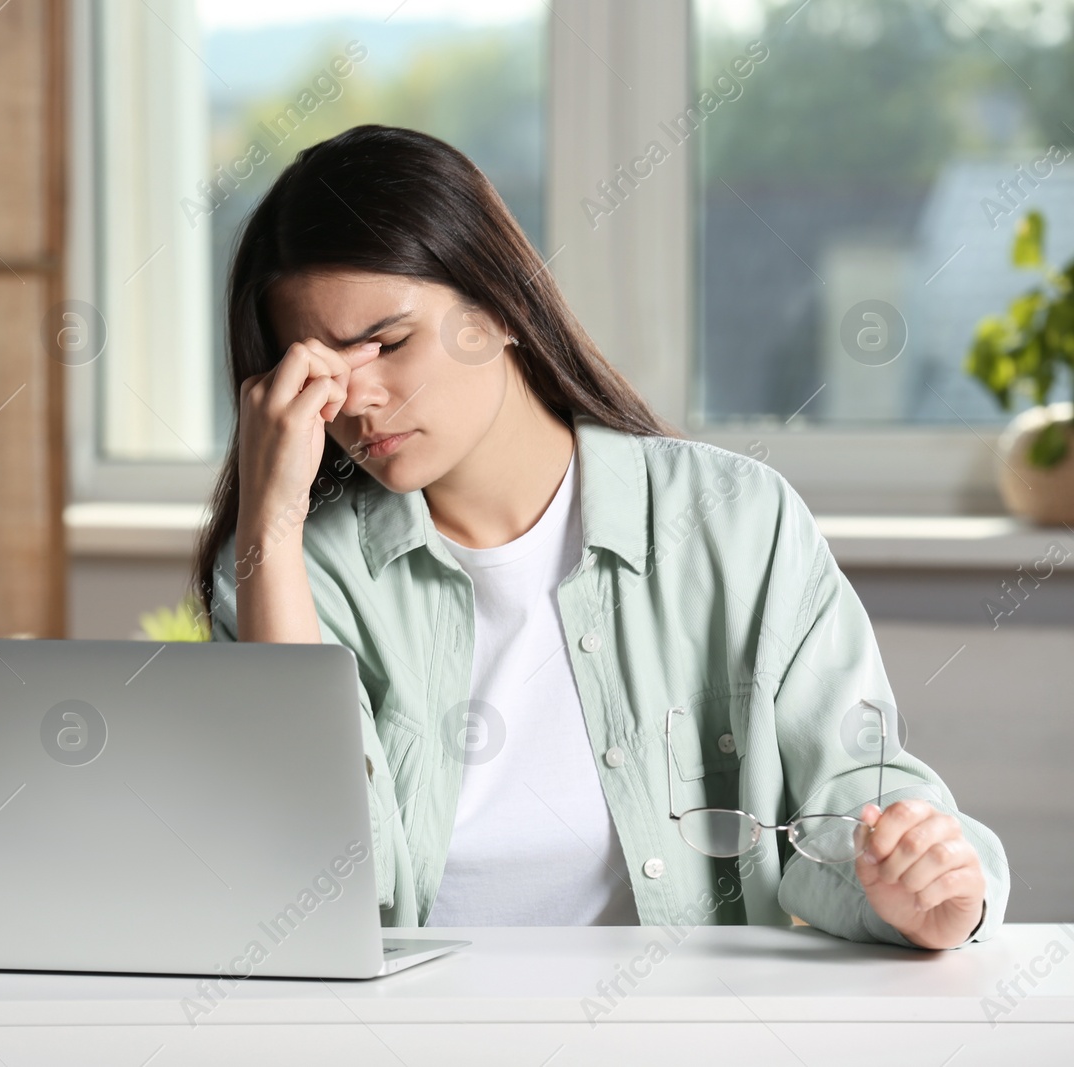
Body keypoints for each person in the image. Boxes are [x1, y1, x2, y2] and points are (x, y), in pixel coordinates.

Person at [191, 125, 1007, 950]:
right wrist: (271, 519)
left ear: (500, 309)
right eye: (316, 370)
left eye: (388, 343)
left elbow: (854, 803)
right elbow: (309, 890)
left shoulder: (734, 520)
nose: (355, 400)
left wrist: (926, 887)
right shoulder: (290, 572)